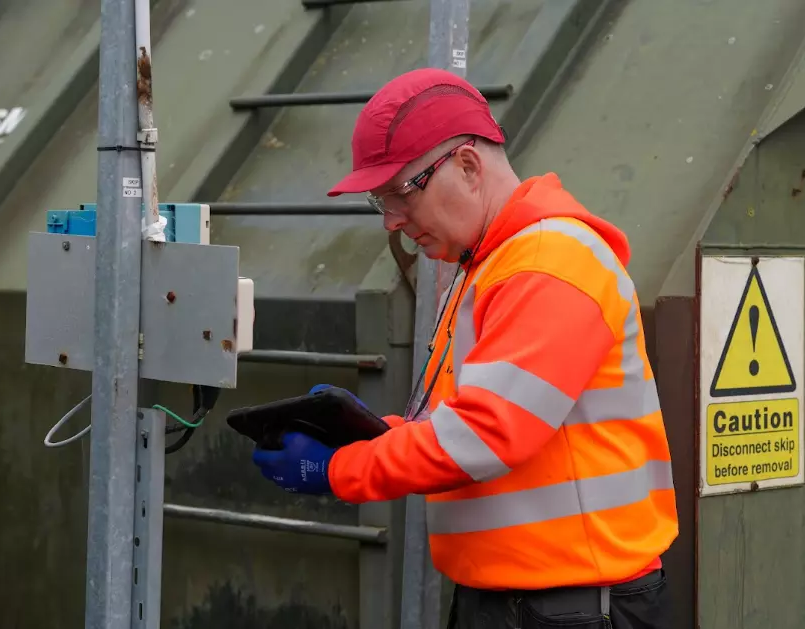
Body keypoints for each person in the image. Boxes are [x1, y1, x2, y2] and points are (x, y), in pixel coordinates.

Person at [250, 67, 679, 629]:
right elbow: (467, 422)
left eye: (400, 193)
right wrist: (364, 434)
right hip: (534, 603)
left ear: (468, 166)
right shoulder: (494, 265)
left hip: (571, 608)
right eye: (380, 202)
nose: (393, 222)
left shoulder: (549, 263)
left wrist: (339, 468)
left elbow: (484, 434)